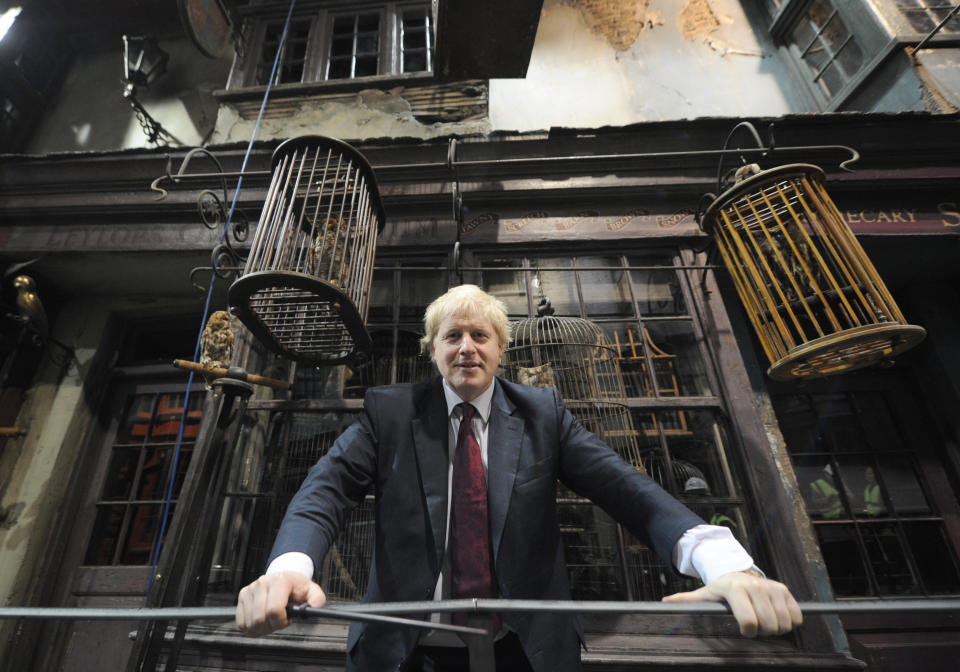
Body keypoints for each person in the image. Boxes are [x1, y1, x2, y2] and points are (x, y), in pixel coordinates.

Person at [236, 284, 802, 671]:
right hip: (404, 648)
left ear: (501, 349)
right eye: (452, 336)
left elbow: (629, 489)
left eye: (480, 336)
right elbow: (325, 491)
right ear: (431, 349)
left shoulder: (543, 414)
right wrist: (288, 569)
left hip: (524, 651)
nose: (466, 348)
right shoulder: (389, 414)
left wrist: (725, 563)